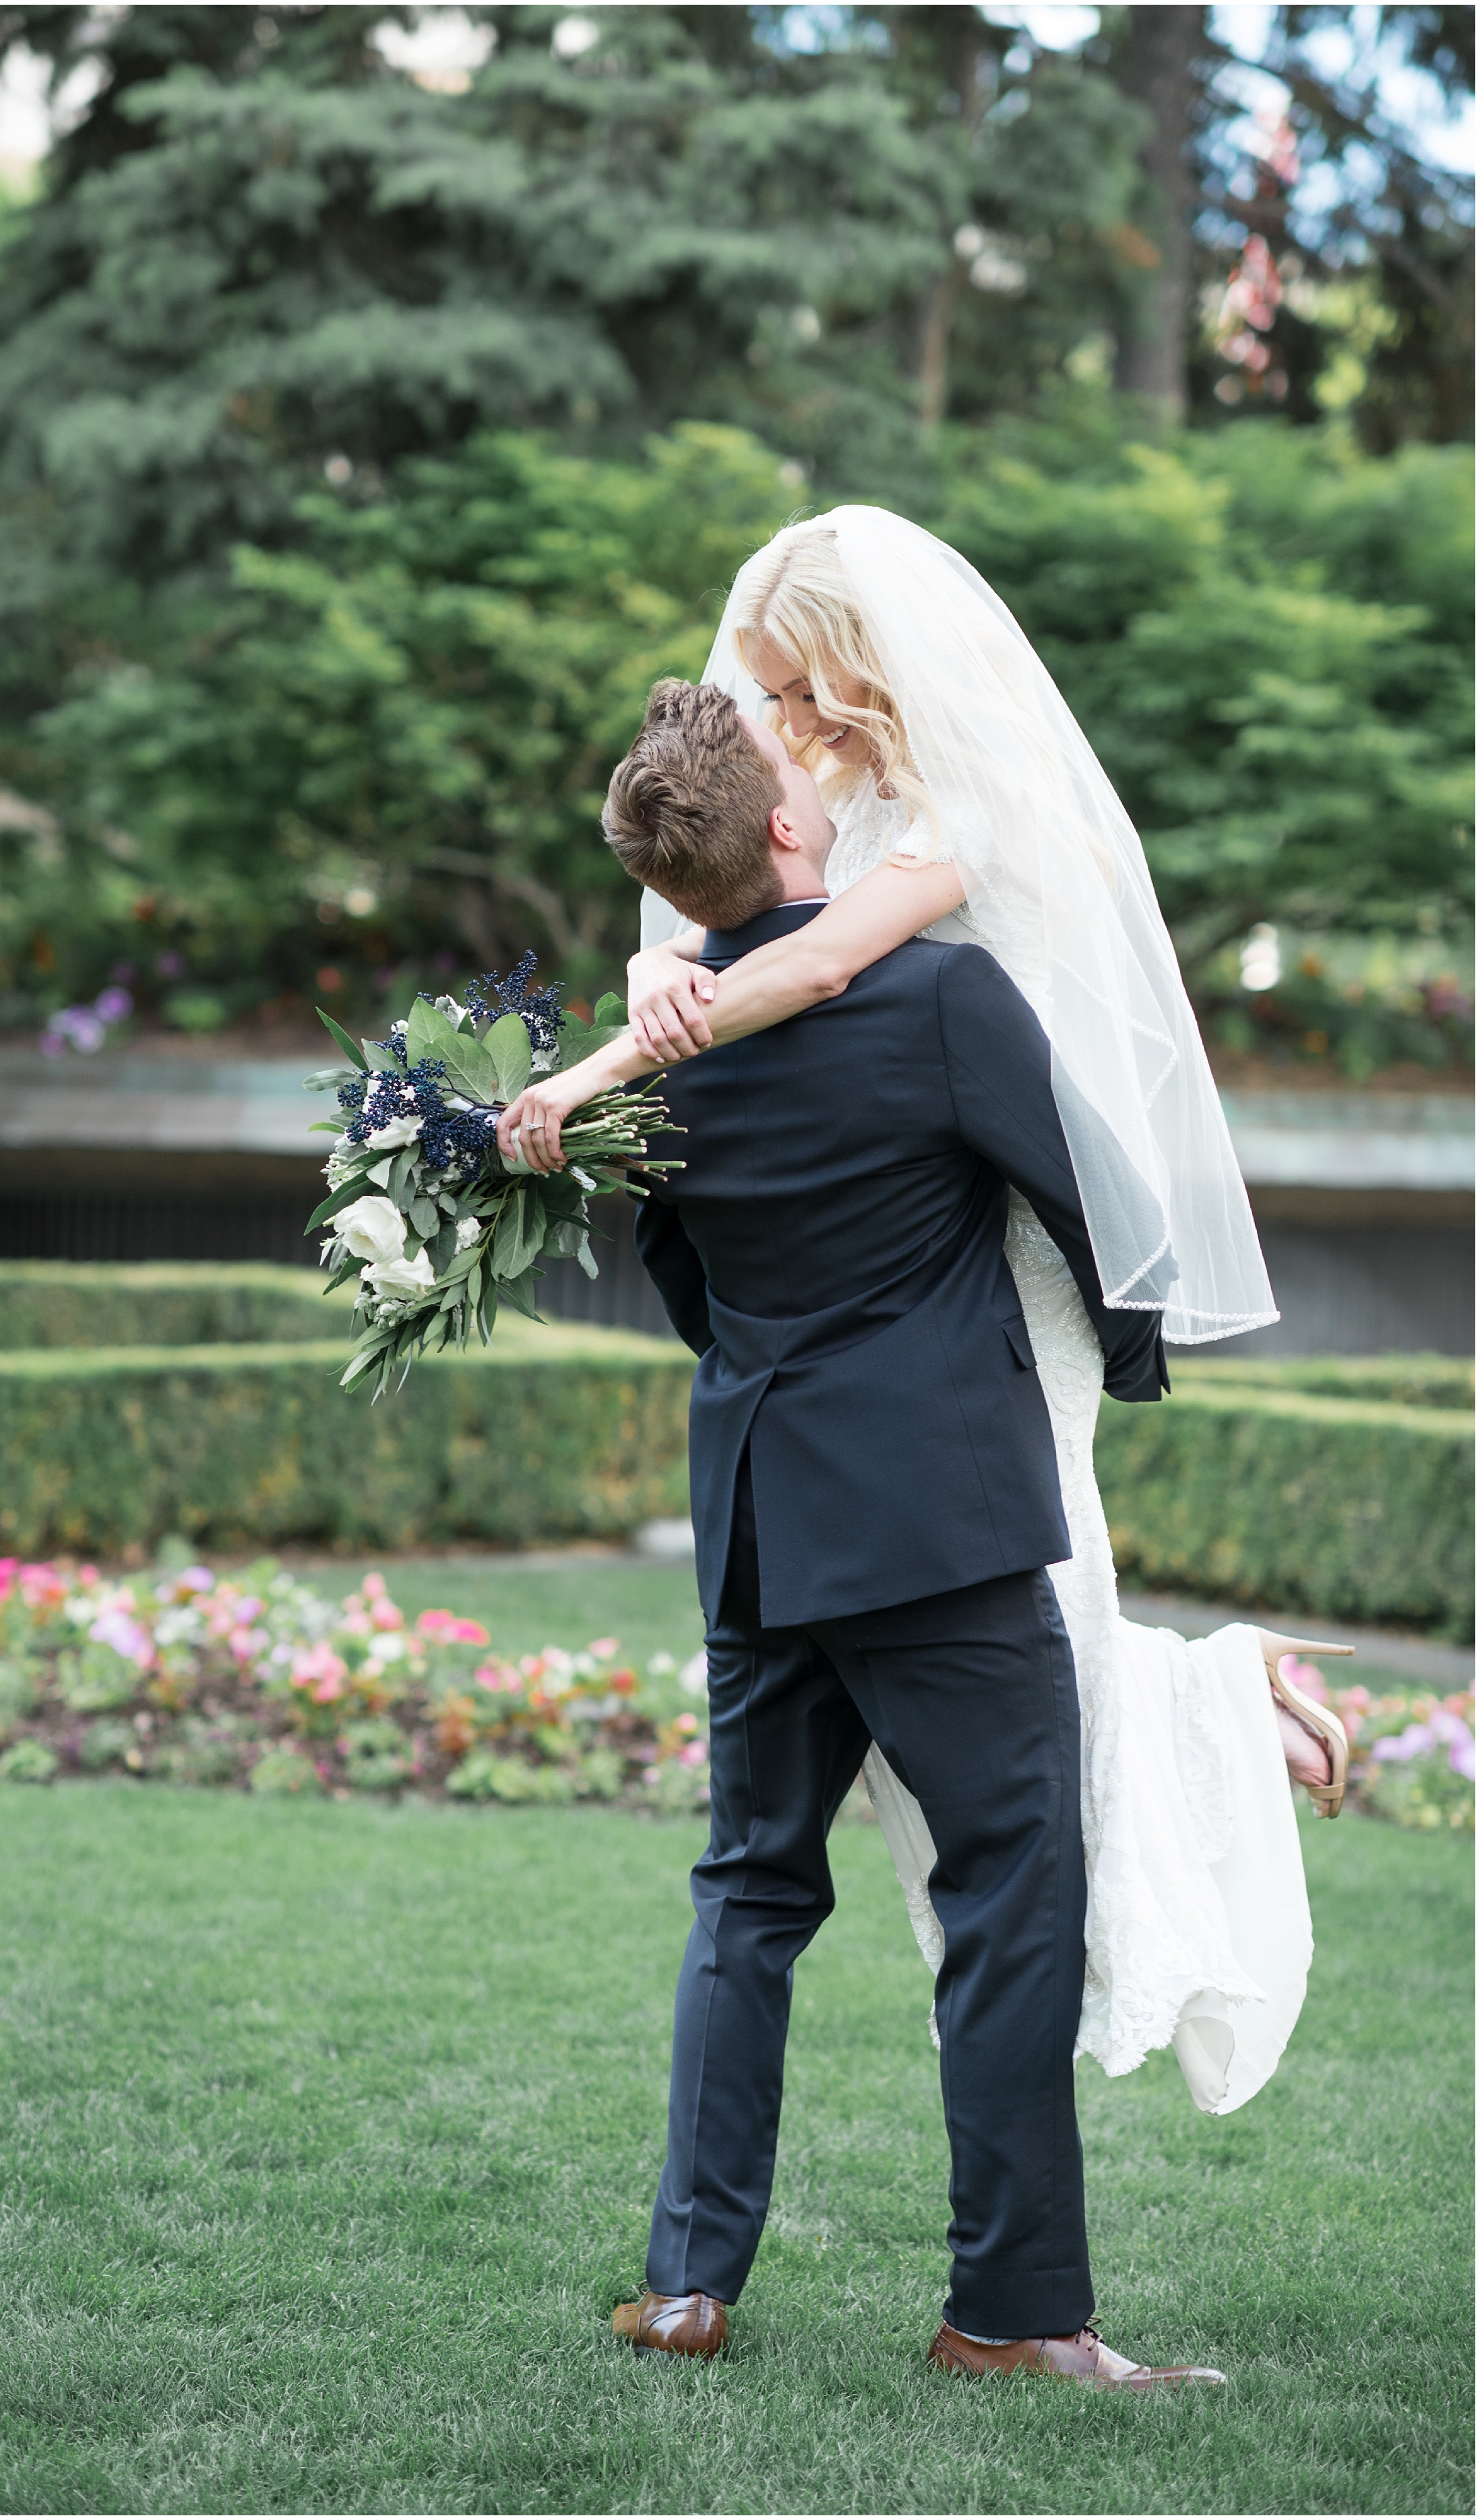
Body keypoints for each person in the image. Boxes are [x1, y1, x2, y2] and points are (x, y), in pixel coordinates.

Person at [501, 512, 1353, 2143]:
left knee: (1029, 1639)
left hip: (986, 1260)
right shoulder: (825, 800)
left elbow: (811, 962)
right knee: (1003, 1690)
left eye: (787, 689)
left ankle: (1204, 1712)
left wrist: (597, 1067)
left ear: (854, 658)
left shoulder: (980, 803)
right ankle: (1222, 1698)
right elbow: (714, 923)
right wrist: (653, 979)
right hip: (877, 1268)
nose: (776, 724)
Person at [512, 677, 1233, 2383]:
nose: (818, 774)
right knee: (1007, 1895)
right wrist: (1118, 1363)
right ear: (779, 827)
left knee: (745, 1893)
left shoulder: (656, 1060)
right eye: (791, 765)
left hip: (760, 1520)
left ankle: (688, 2283)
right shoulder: (935, 993)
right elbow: (1087, 1203)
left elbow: (682, 1285)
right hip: (940, 1522)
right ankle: (1013, 2317)